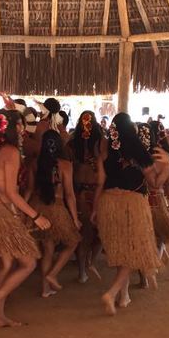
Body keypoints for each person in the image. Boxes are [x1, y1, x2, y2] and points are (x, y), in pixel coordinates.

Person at [0, 111, 50, 328]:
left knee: (7, 263)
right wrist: (35, 216)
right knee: (28, 263)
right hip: (1, 211)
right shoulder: (10, 151)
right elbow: (11, 191)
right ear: (13, 127)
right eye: (20, 124)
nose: (23, 128)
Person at [92, 113, 160, 315]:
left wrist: (95, 209)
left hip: (108, 203)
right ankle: (111, 293)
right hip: (132, 203)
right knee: (133, 251)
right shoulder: (138, 149)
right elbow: (155, 182)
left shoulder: (106, 153)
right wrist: (166, 166)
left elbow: (100, 183)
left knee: (122, 250)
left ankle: (124, 295)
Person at [32, 130, 80, 298]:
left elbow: (30, 190)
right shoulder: (66, 164)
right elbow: (69, 195)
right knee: (73, 241)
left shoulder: (35, 163)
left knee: (48, 249)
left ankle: (45, 289)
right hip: (57, 209)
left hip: (39, 208)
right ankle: (53, 274)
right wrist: (75, 219)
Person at [68, 111, 102, 284]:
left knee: (89, 234)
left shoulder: (73, 144)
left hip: (82, 194)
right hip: (91, 193)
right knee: (95, 234)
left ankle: (85, 269)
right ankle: (88, 265)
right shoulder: (99, 145)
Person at [144, 121, 169, 262]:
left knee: (144, 233)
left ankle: (145, 275)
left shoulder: (141, 154)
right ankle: (154, 265)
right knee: (160, 235)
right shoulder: (167, 156)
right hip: (157, 199)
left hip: (140, 198)